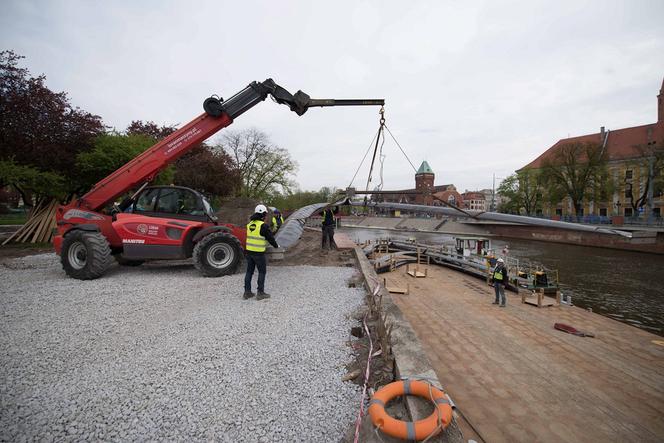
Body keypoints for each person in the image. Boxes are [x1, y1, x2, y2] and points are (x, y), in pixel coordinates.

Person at [244, 204, 279, 301]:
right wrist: (276, 246)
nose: (266, 216)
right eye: (266, 214)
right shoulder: (263, 226)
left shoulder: (249, 224)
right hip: (258, 253)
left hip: (249, 252)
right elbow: (270, 238)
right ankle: (260, 293)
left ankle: (247, 293)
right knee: (262, 272)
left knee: (249, 272)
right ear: (263, 214)